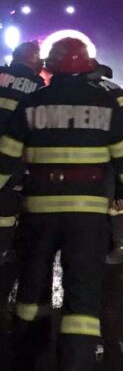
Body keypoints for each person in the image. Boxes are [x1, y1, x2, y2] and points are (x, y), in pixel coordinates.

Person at [0, 37, 123, 370]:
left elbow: (5, 158)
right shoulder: (105, 105)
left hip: (39, 213)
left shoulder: (33, 104)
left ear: (49, 68)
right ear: (87, 68)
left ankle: (25, 356)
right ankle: (77, 362)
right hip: (87, 218)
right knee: (82, 294)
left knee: (32, 290)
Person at [87, 59, 123, 264]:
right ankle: (115, 243)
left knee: (115, 197)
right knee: (114, 194)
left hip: (118, 149)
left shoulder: (96, 91)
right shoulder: (111, 87)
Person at [0, 42, 45, 265]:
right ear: (33, 60)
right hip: (12, 154)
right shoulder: (37, 86)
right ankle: (3, 250)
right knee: (6, 203)